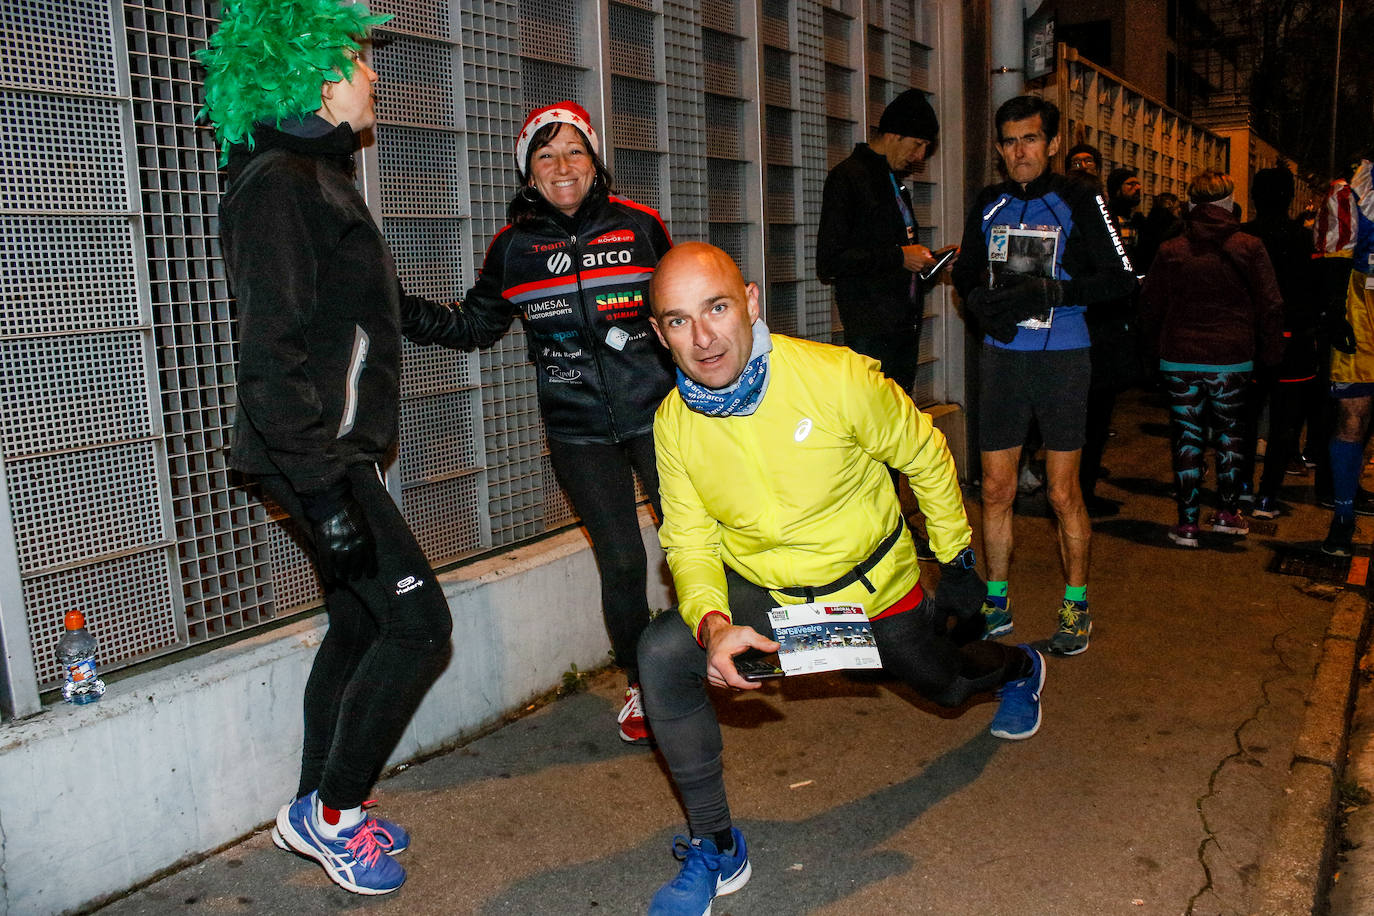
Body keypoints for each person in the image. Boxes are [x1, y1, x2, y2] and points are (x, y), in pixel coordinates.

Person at [637, 242, 1045, 916]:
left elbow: (924, 451)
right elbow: (689, 540)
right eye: (679, 321)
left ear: (751, 305)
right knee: (662, 652)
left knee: (943, 686)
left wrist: (957, 559)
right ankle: (715, 844)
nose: (703, 338)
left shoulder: (835, 378)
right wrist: (711, 622)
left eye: (716, 308)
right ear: (659, 335)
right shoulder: (674, 424)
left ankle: (1018, 667)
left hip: (873, 590)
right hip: (769, 593)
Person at [201, 0, 462, 894]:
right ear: (315, 72)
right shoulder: (281, 185)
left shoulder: (319, 176)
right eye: (358, 58)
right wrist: (322, 494)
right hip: (317, 458)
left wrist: (471, 320)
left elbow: (371, 307)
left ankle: (314, 804)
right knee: (422, 625)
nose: (374, 73)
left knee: (358, 622)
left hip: (326, 455)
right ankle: (333, 813)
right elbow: (268, 362)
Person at [406, 100, 675, 743]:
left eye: (574, 151)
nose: (562, 166)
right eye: (545, 154)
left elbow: (684, 312)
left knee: (692, 543)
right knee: (621, 563)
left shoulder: (641, 227)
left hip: (661, 420)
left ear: (595, 160)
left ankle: (716, 651)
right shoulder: (513, 249)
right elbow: (475, 325)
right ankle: (646, 687)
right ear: (528, 172)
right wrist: (393, 306)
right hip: (577, 432)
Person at [952, 95, 1136, 656]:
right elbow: (964, 273)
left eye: (1030, 139)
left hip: (1063, 357)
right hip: (1003, 355)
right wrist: (979, 302)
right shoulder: (989, 201)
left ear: (1052, 143)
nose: (1019, 152)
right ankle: (996, 600)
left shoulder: (1080, 196)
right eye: (1009, 141)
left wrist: (1054, 291)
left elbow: (1123, 279)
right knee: (998, 489)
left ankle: (1076, 605)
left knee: (1061, 493)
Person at [1139, 170, 1284, 548]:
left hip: (1179, 356)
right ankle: (1227, 513)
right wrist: (1271, 354)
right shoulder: (1249, 246)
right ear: (1228, 203)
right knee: (1230, 434)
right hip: (1232, 357)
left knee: (1187, 435)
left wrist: (1151, 351)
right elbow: (1271, 304)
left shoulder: (1171, 250)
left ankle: (1187, 524)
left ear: (1191, 205)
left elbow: (1150, 304)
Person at [817, 89, 940, 394]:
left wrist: (929, 261)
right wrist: (899, 257)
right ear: (894, 135)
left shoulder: (892, 181)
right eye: (918, 144)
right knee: (875, 417)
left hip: (903, 325)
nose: (920, 156)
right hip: (872, 329)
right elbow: (829, 260)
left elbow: (894, 248)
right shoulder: (848, 177)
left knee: (898, 417)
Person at [1238, 167, 1319, 519]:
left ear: (1254, 197)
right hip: (1292, 340)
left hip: (1249, 340)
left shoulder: (1242, 237)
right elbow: (1312, 290)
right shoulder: (1302, 239)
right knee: (1286, 422)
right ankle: (1268, 496)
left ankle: (1241, 488)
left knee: (1244, 418)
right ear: (1289, 198)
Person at [1320, 157, 1374, 555]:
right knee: (1353, 414)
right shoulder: (1350, 191)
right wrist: (1337, 316)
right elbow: (1333, 263)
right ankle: (1342, 516)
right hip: (1362, 311)